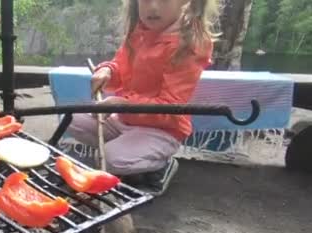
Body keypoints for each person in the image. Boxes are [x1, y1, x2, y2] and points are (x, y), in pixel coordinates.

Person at [68, 0, 218, 196]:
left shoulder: (190, 45)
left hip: (163, 129)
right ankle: (132, 155)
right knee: (73, 120)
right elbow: (119, 67)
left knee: (110, 158)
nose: (153, 7)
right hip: (124, 119)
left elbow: (170, 107)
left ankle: (160, 166)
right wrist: (107, 70)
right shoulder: (139, 30)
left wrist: (124, 105)